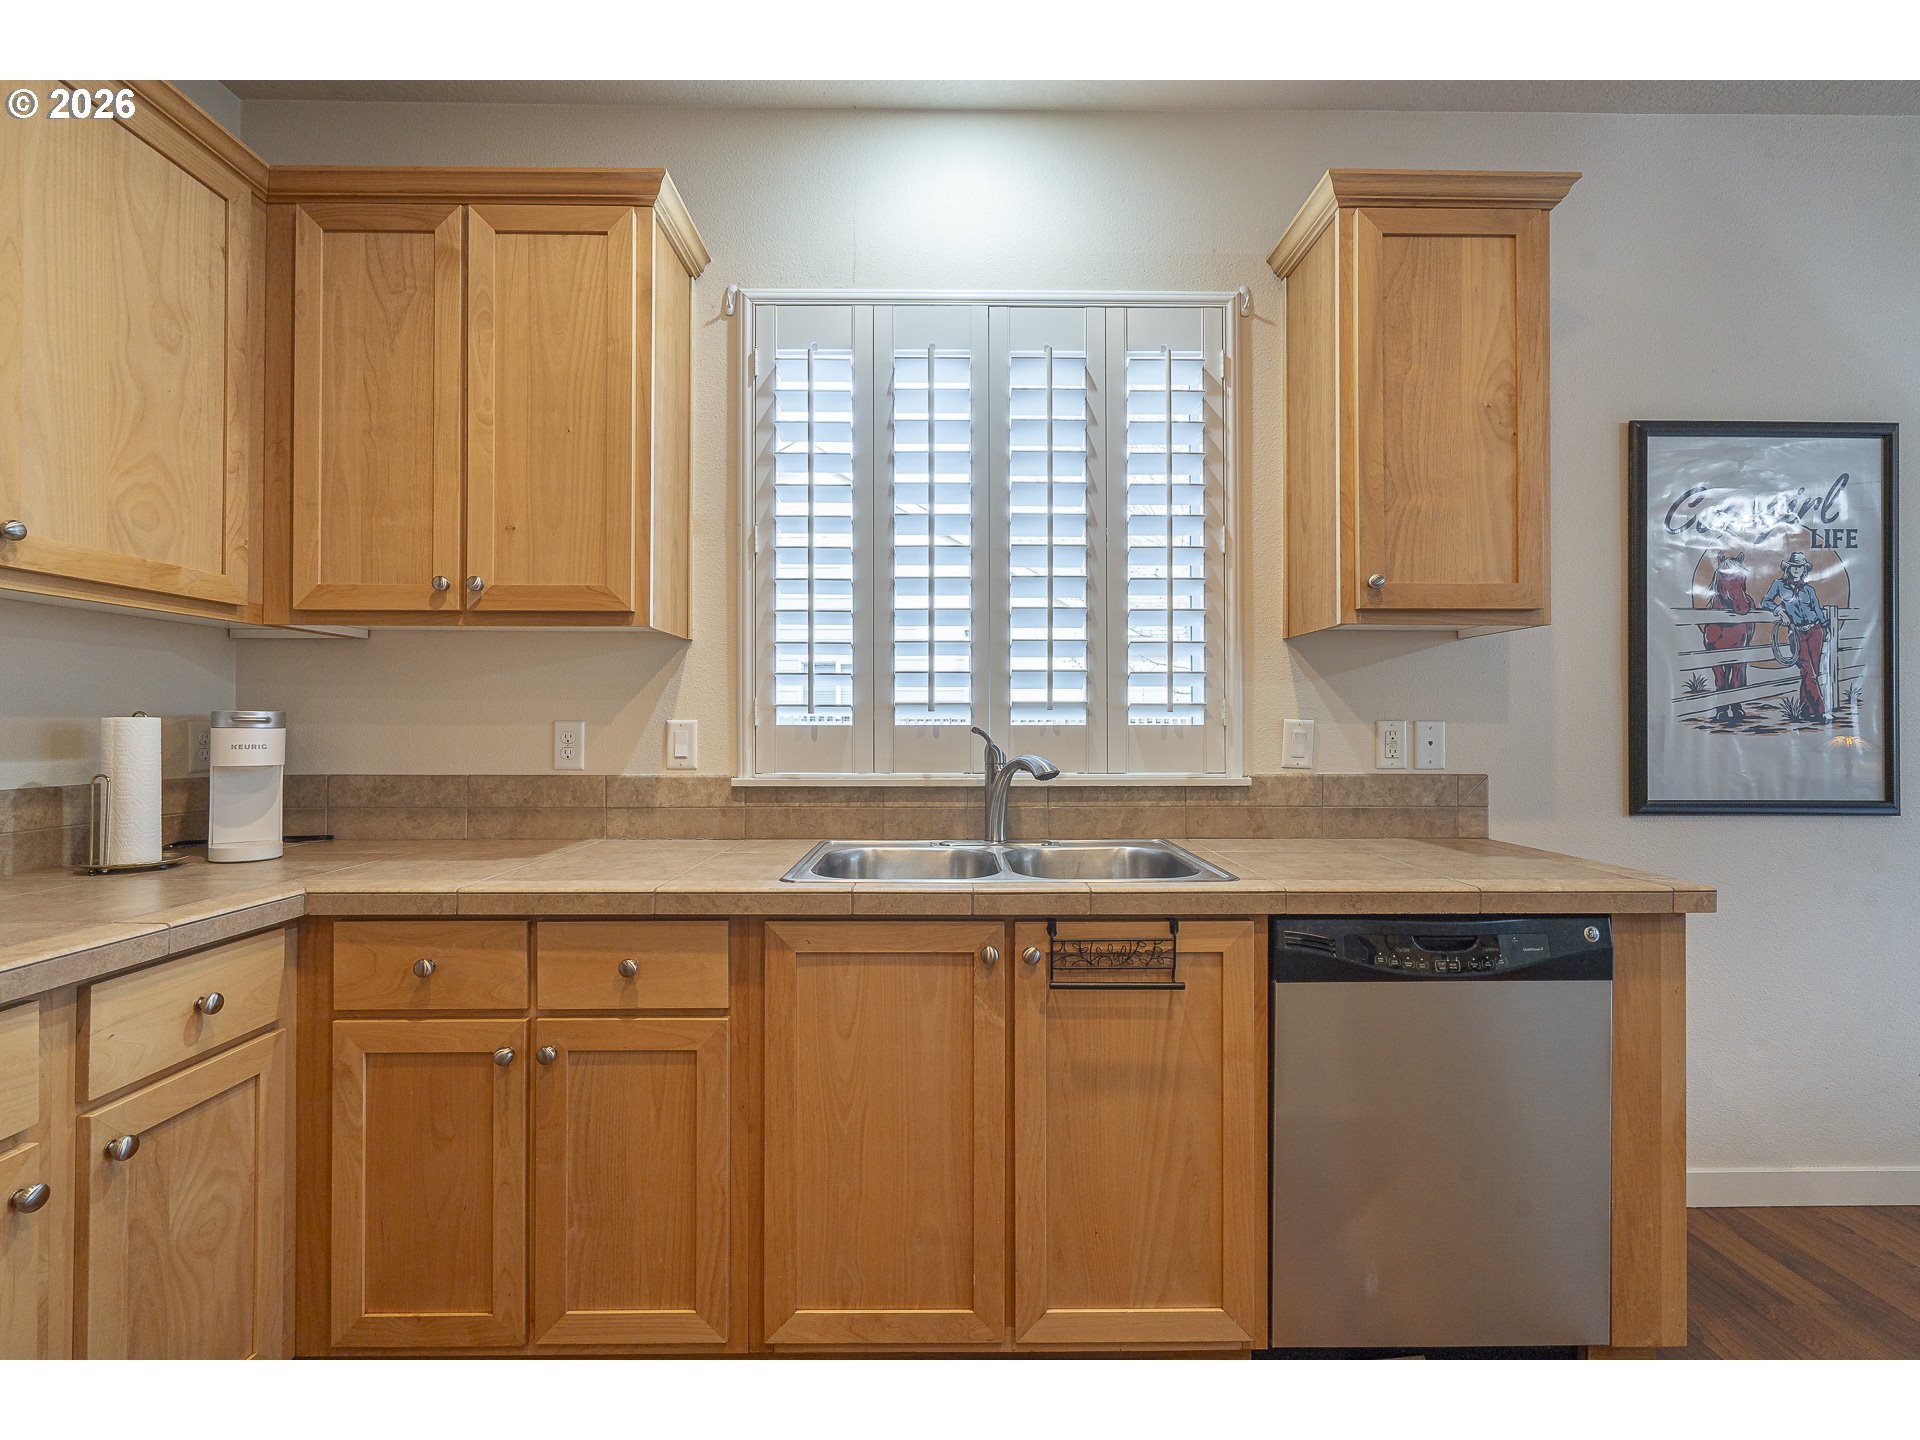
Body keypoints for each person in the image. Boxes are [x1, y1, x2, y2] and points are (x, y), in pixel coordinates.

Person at [1762, 551, 1829, 720]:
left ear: (1804, 569)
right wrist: (1780, 611)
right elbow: (1766, 601)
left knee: (1812, 671)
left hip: (1815, 630)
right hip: (1796, 632)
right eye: (1794, 566)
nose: (1797, 569)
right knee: (1807, 669)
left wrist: (1824, 627)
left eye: (1800, 567)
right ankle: (1821, 711)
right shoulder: (1779, 584)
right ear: (1789, 568)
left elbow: (1817, 609)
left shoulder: (1809, 589)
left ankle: (1807, 710)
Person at [1701, 550, 1755, 723]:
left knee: (1737, 670)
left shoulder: (1741, 594)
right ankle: (1722, 707)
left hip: (1739, 634)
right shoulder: (1720, 587)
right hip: (1718, 631)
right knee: (1720, 675)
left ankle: (1735, 705)